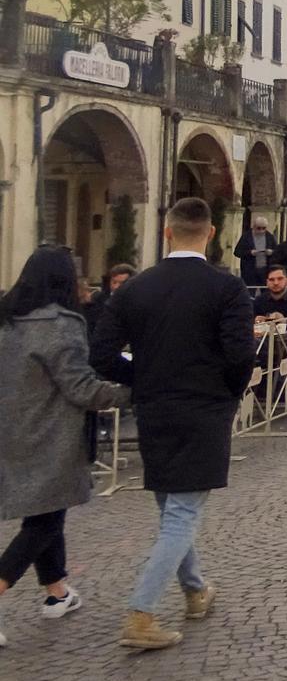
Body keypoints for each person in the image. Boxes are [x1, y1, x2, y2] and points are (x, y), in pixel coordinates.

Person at [90, 198, 255, 652]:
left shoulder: (133, 289)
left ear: (167, 233)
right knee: (180, 513)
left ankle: (196, 591)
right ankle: (141, 613)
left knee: (171, 506)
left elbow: (100, 354)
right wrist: (228, 392)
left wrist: (141, 377)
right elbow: (241, 354)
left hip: (155, 408)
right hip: (204, 407)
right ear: (212, 232)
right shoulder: (227, 289)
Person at [0, 247, 134, 644]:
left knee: (46, 509)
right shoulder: (61, 325)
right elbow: (81, 387)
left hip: (12, 429)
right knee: (45, 518)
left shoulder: (8, 318)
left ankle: (56, 592)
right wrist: (130, 393)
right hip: (51, 434)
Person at [233, 216, 278, 286]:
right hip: (249, 271)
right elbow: (237, 252)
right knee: (250, 293)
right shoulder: (246, 237)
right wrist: (249, 253)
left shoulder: (269, 237)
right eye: (259, 228)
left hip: (265, 271)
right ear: (254, 226)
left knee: (266, 293)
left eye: (264, 228)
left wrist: (271, 252)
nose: (261, 231)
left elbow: (278, 252)